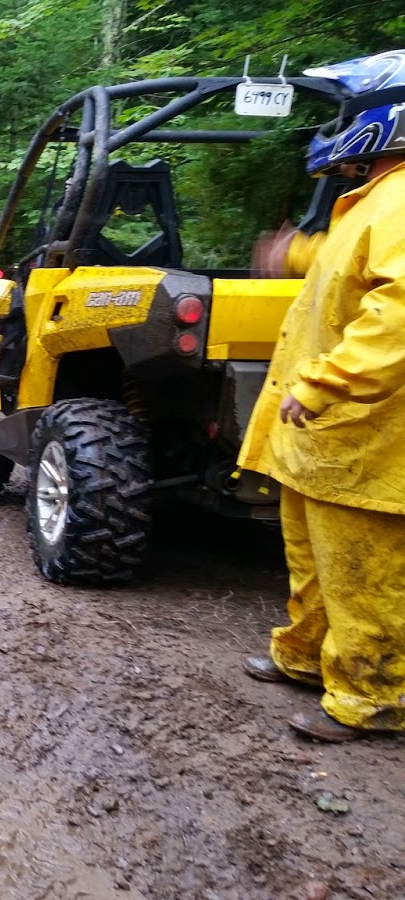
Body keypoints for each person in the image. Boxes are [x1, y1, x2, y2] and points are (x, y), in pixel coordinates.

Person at [238, 49, 405, 742]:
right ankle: (306, 657)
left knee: (363, 572)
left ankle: (373, 700)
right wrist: (296, 253)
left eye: (346, 113)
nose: (337, 129)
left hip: (363, 437)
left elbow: (397, 310)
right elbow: (349, 265)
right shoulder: (375, 200)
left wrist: (325, 382)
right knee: (313, 561)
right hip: (326, 439)